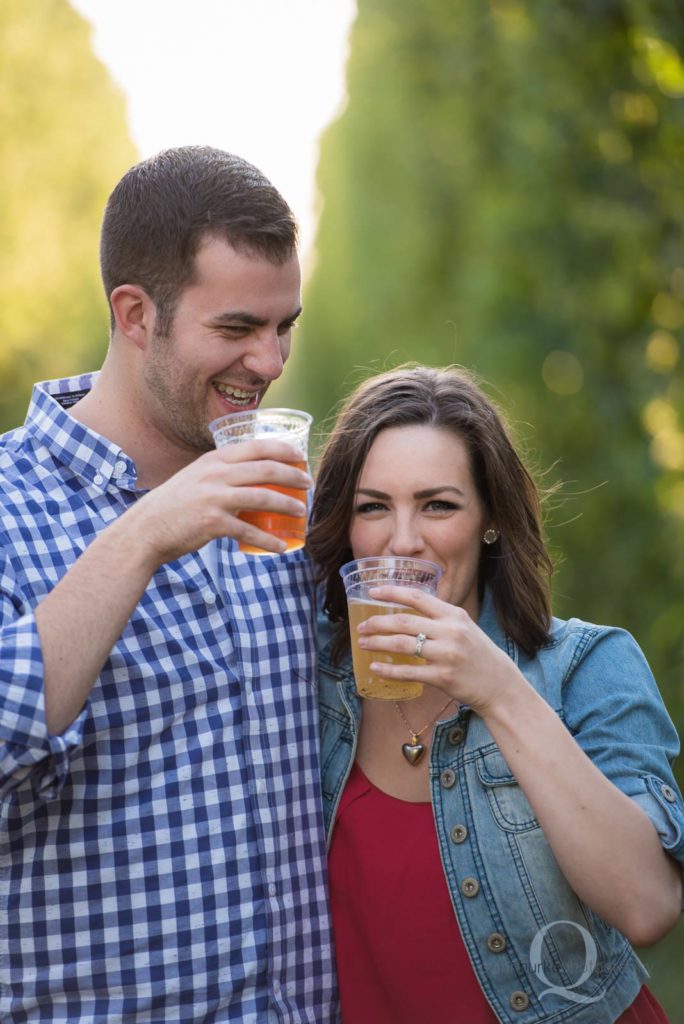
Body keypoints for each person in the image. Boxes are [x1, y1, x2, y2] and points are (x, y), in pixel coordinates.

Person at [0, 146, 337, 1023]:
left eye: (284, 325)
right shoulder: (8, 506)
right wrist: (146, 531)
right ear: (136, 314)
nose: (268, 361)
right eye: (235, 329)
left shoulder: (285, 501)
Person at [308, 364, 684, 1024]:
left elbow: (648, 905)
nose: (402, 541)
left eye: (438, 505)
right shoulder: (310, 683)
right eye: (373, 507)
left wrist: (498, 691)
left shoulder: (584, 667)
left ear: (489, 522)